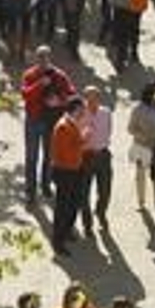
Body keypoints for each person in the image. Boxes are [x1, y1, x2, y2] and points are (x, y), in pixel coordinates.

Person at [20, 47, 75, 204]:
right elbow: (25, 95)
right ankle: (30, 191)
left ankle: (45, 185)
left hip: (51, 122)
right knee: (31, 157)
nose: (43, 60)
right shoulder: (30, 75)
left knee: (49, 156)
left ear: (50, 58)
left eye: (45, 57)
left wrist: (60, 101)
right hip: (33, 120)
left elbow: (72, 95)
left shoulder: (59, 75)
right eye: (40, 57)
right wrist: (39, 84)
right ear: (36, 59)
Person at [126, 80, 155, 221]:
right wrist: (144, 136)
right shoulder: (138, 109)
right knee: (141, 175)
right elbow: (130, 128)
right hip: (142, 147)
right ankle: (141, 202)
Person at [49, 97, 88, 256]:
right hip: (65, 171)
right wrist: (82, 140)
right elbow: (65, 153)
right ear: (75, 109)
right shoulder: (63, 126)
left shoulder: (72, 123)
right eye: (82, 109)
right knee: (62, 207)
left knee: (74, 202)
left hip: (74, 169)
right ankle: (58, 241)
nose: (84, 112)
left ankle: (67, 231)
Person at [78, 86, 113, 235]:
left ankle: (100, 211)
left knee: (105, 190)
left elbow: (109, 131)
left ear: (99, 99)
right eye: (88, 98)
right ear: (84, 99)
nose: (92, 101)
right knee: (84, 193)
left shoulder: (106, 112)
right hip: (86, 156)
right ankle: (87, 224)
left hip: (103, 155)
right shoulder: (79, 114)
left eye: (95, 98)